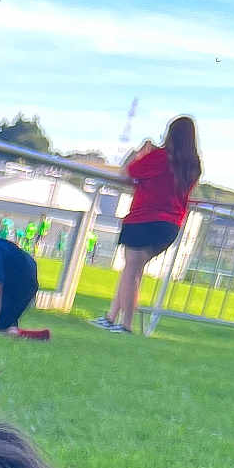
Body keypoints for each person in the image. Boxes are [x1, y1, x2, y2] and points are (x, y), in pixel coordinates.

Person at [92, 115, 202, 333]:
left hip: (143, 219)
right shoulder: (193, 166)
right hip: (170, 226)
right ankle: (111, 317)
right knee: (132, 271)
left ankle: (125, 324)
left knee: (131, 271)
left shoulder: (160, 157)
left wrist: (140, 152)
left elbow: (127, 172)